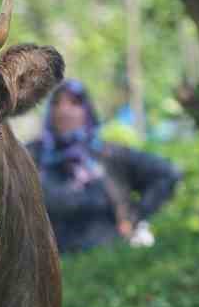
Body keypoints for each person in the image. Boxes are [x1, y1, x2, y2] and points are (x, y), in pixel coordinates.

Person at [30, 79, 181, 254]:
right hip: (50, 265)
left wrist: (134, 217)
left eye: (74, 103)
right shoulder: (33, 156)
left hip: (108, 264)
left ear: (87, 111)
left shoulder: (107, 155)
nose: (64, 111)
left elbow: (167, 173)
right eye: (57, 103)